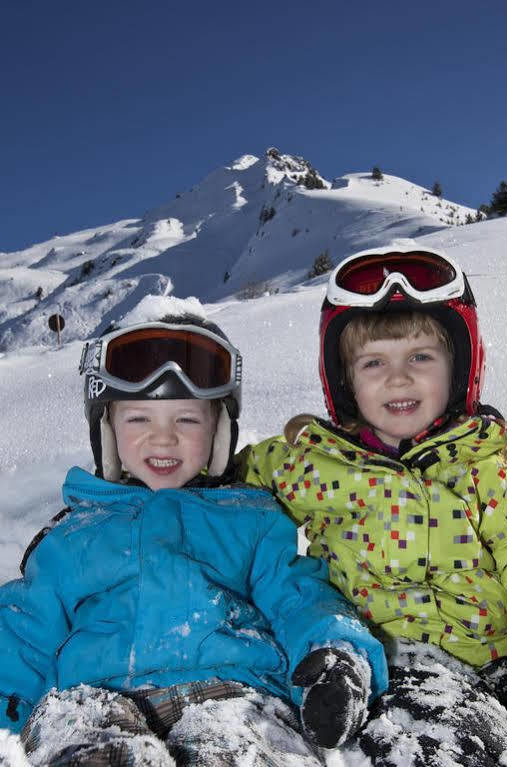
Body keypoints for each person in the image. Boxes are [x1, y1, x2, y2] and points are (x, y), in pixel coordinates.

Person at [0, 304, 389, 767]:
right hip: (93, 699)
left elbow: (299, 596)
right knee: (90, 748)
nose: (163, 439)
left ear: (218, 429)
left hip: (234, 694)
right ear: (106, 429)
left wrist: (336, 653)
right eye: (139, 419)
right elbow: (24, 630)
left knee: (239, 749)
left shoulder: (252, 519)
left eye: (186, 420)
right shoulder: (73, 536)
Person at [239, 244, 507, 766]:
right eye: (373, 363)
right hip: (396, 663)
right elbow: (225, 487)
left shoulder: (490, 474)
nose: (398, 377)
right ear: (344, 381)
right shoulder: (315, 465)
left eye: (420, 357)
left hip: (502, 667)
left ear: (460, 367)